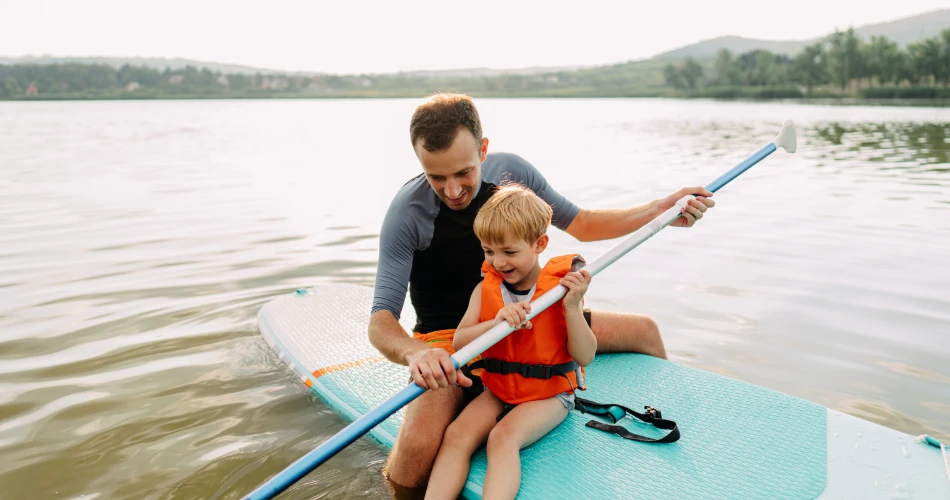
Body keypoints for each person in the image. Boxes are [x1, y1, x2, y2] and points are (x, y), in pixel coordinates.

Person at [368, 92, 714, 494]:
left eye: (462, 173)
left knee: (644, 331)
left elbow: (582, 223)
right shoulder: (407, 213)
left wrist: (662, 210)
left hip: (536, 316)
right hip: (454, 341)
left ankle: (668, 451)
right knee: (416, 456)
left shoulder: (512, 175)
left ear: (483, 150)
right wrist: (416, 353)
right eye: (436, 177)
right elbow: (380, 320)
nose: (453, 190)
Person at [424, 184, 596, 500]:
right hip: (501, 387)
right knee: (457, 434)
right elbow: (461, 342)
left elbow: (585, 356)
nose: (499, 262)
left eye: (510, 252)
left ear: (539, 243)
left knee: (502, 438)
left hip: (549, 394)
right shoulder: (485, 290)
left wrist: (573, 307)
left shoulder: (561, 292)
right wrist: (497, 321)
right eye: (489, 251)